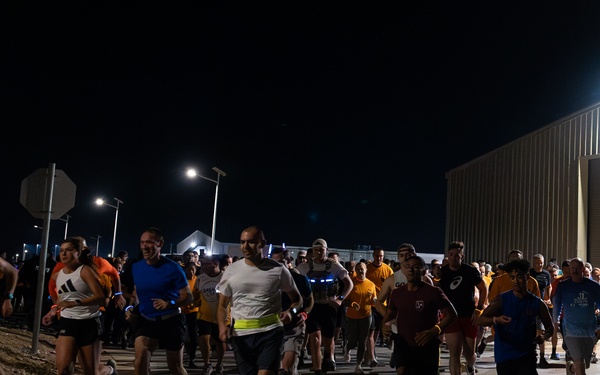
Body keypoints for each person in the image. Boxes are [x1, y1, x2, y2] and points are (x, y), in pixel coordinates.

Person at [216, 226, 302, 375]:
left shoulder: (278, 269)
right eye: (242, 242)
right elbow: (222, 306)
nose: (245, 246)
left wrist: (291, 312)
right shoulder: (231, 270)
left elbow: (298, 300)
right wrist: (222, 327)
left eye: (251, 242)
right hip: (241, 336)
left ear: (262, 244)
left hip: (270, 333)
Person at [42, 237, 117, 375]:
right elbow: (59, 297)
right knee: (63, 369)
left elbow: (100, 297)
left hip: (89, 323)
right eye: (62, 250)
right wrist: (53, 311)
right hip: (68, 323)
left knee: (90, 371)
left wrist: (75, 303)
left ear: (78, 252)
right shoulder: (58, 274)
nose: (64, 254)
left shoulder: (85, 271)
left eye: (69, 250)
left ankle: (110, 370)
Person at [126, 227, 193, 375]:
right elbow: (137, 290)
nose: (144, 246)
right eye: (142, 242)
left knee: (175, 367)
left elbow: (188, 296)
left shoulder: (173, 268)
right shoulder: (137, 267)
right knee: (140, 362)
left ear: (160, 244)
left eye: (149, 242)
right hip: (146, 320)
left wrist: (170, 303)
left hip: (171, 320)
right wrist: (129, 307)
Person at [477, 258, 554, 375]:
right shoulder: (501, 300)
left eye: (519, 277)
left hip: (527, 354)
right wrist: (495, 320)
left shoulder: (537, 302)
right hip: (505, 355)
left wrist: (543, 337)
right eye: (512, 278)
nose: (516, 281)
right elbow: (480, 320)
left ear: (527, 277)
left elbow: (550, 328)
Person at [384, 255, 458, 375]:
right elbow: (390, 314)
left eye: (415, 267)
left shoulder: (433, 292)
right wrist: (385, 327)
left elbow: (452, 315)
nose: (411, 270)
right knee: (402, 372)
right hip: (404, 344)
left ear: (423, 271)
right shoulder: (397, 293)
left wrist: (434, 331)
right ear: (403, 270)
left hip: (427, 346)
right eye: (407, 267)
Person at [296, 238, 353, 374]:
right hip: (312, 307)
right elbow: (294, 282)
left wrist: (340, 299)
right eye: (316, 249)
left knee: (329, 340)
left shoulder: (334, 265)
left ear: (326, 250)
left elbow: (349, 284)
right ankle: (317, 369)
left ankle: (328, 356)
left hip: (329, 307)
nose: (319, 252)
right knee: (315, 338)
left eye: (321, 249)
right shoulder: (304, 267)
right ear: (312, 251)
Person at [438, 241, 487, 375]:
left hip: (468, 315)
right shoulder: (443, 273)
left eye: (457, 255)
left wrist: (479, 309)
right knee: (454, 353)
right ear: (448, 255)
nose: (454, 257)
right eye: (451, 254)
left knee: (469, 353)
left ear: (462, 256)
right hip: (451, 317)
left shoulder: (470, 271)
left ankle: (470, 366)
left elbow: (484, 289)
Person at [552, 257, 600, 375]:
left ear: (583, 269)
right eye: (572, 268)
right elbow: (557, 304)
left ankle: (571, 368)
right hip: (571, 330)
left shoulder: (593, 286)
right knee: (580, 364)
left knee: (585, 364)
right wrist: (556, 321)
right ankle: (576, 367)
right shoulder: (563, 286)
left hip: (589, 330)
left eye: (578, 268)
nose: (575, 270)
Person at [272, 246, 314, 375]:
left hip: (294, 326)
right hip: (272, 327)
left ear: (288, 261)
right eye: (274, 262)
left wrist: (304, 314)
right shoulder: (267, 280)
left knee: (285, 369)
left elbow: (309, 300)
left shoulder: (300, 279)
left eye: (281, 262)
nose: (277, 266)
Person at [194, 255, 227, 375]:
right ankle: (207, 364)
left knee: (220, 341)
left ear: (215, 264)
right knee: (204, 338)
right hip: (204, 314)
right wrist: (195, 300)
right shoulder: (200, 278)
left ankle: (220, 363)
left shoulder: (226, 277)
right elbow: (196, 295)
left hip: (222, 315)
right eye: (203, 264)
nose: (204, 267)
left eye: (207, 264)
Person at [343, 261, 377, 374]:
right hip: (352, 316)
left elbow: (374, 300)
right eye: (358, 269)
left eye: (362, 268)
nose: (360, 271)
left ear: (366, 270)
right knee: (353, 340)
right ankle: (347, 349)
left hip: (366, 316)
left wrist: (375, 302)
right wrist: (352, 304)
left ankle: (358, 365)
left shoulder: (371, 284)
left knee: (363, 341)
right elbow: (345, 301)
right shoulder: (352, 283)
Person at [364, 246, 394, 367]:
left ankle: (370, 352)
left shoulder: (387, 270)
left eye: (381, 256)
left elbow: (392, 288)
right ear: (373, 255)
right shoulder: (368, 269)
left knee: (376, 331)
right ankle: (371, 357)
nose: (379, 258)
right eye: (377, 255)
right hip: (369, 304)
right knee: (370, 331)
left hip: (382, 306)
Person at [529, 253, 553, 367]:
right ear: (533, 263)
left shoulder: (546, 274)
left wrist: (548, 299)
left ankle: (542, 357)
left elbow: (549, 287)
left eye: (541, 263)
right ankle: (530, 355)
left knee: (541, 332)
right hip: (529, 307)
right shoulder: (529, 273)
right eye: (537, 263)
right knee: (530, 332)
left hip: (541, 306)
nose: (539, 265)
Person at [181, 262, 200, 369]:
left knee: (193, 336)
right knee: (182, 335)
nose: (191, 271)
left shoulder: (198, 280)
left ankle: (192, 358)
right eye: (188, 269)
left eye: (193, 269)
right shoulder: (181, 280)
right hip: (182, 311)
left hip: (194, 311)